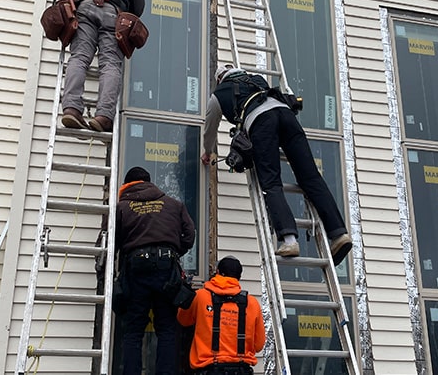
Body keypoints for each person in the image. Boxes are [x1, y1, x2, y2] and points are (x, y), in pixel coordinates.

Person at [201, 64, 353, 264]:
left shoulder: (219, 94)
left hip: (261, 123)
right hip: (287, 117)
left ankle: (289, 239)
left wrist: (208, 151)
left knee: (271, 182)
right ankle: (338, 233)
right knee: (311, 177)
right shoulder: (257, 79)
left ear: (220, 79)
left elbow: (210, 127)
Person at [61, 0, 145, 132]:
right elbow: (139, 7)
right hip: (112, 14)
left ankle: (71, 109)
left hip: (85, 8)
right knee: (110, 64)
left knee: (79, 57)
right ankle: (103, 116)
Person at [115, 166, 196, 375]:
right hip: (166, 268)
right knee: (167, 329)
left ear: (127, 185)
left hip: (136, 268)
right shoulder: (173, 204)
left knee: (133, 331)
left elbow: (110, 241)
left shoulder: (122, 207)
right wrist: (174, 249)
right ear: (149, 182)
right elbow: (189, 235)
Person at [177, 256, 265, 375]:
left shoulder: (200, 297)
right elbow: (259, 345)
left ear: (217, 272)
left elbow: (183, 320)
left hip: (208, 369)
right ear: (239, 277)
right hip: (241, 369)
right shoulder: (252, 303)